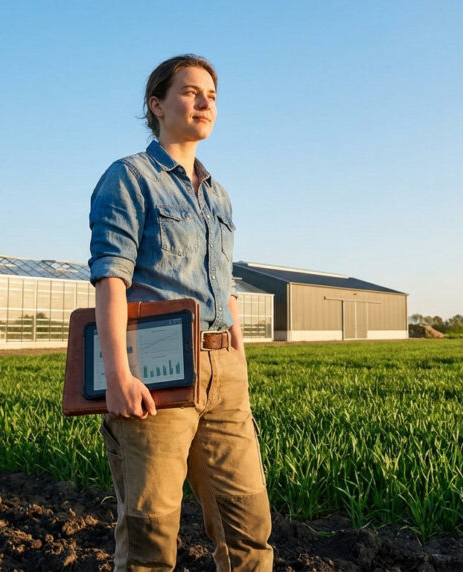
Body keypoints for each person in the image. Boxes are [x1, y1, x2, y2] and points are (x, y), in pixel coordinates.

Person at [87, 54, 273, 571]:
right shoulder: (130, 177)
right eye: (191, 92)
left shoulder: (219, 194)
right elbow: (111, 278)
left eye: (211, 95)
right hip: (156, 370)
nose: (205, 102)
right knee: (152, 531)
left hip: (224, 373)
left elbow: (219, 275)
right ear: (157, 104)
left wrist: (235, 336)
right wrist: (119, 374)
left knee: (248, 526)